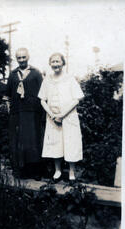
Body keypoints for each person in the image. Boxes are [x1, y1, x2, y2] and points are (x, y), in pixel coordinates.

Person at [38, 53, 84, 182]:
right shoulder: (47, 79)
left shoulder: (69, 79)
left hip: (69, 117)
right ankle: (57, 171)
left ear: (63, 63)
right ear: (50, 64)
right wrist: (52, 115)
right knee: (55, 144)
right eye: (53, 61)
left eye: (58, 61)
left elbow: (77, 100)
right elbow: (42, 100)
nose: (55, 64)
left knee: (71, 143)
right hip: (53, 119)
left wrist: (62, 114)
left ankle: (71, 172)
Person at [6, 48, 44, 179]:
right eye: (19, 58)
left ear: (28, 57)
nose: (21, 60)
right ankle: (20, 170)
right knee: (18, 141)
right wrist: (9, 110)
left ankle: (35, 171)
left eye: (23, 57)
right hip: (17, 112)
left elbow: (43, 94)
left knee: (33, 141)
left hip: (33, 112)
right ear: (17, 59)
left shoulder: (36, 73)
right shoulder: (12, 74)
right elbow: (7, 95)